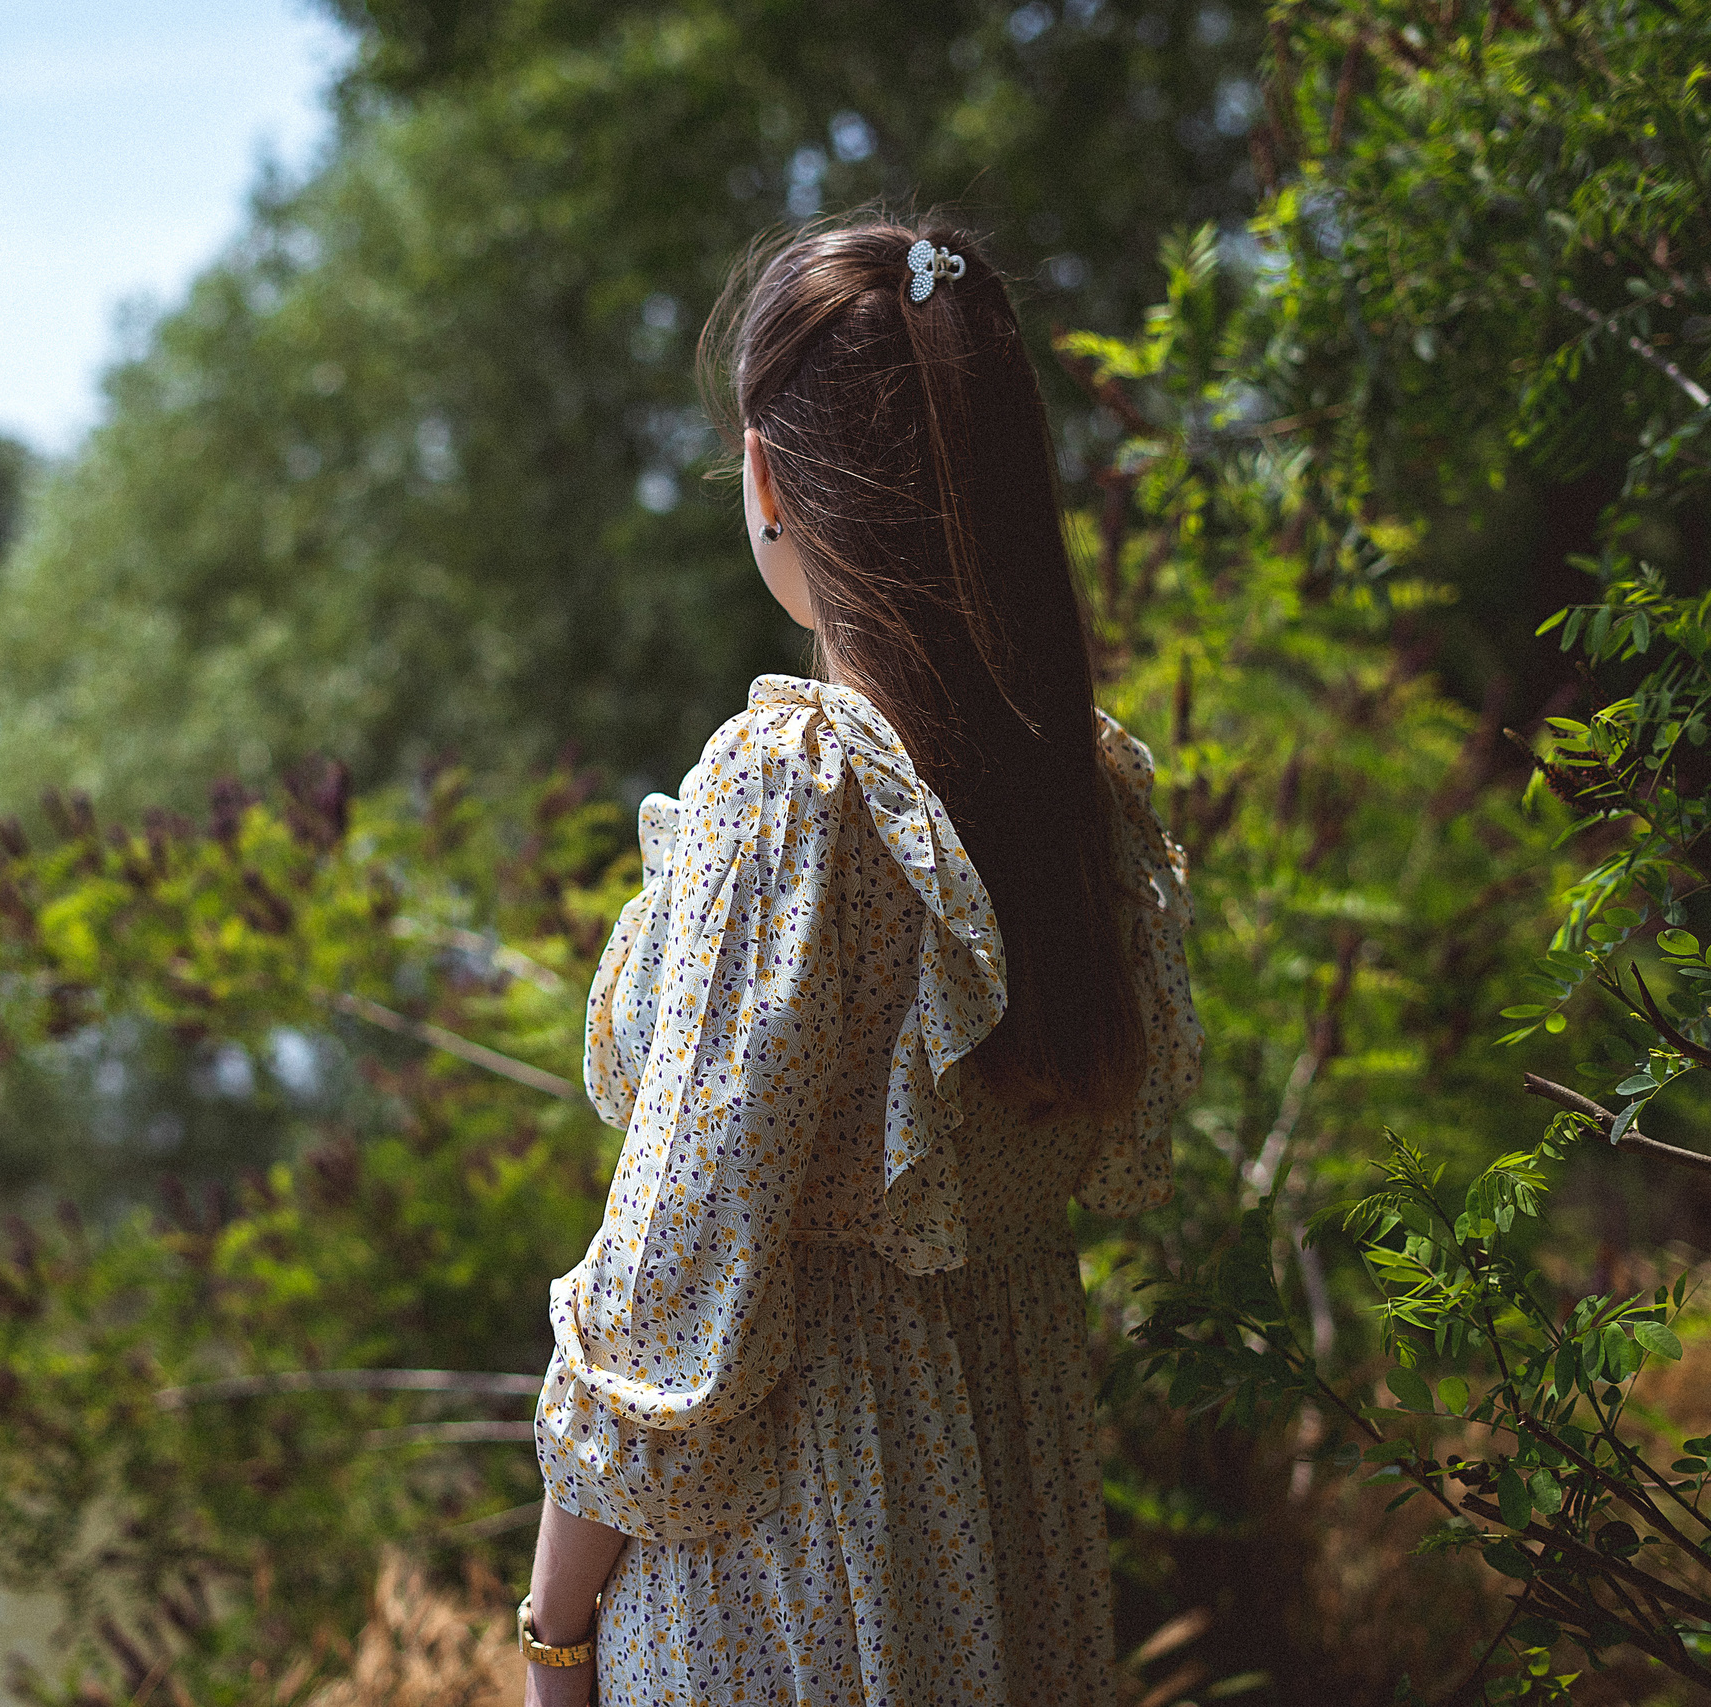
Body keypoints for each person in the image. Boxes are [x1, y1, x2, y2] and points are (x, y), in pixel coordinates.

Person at [518, 216, 1202, 1707]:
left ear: (766, 473)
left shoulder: (799, 790)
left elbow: (673, 1285)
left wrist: (556, 1626)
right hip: (1003, 1521)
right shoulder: (1078, 798)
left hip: (795, 1561)